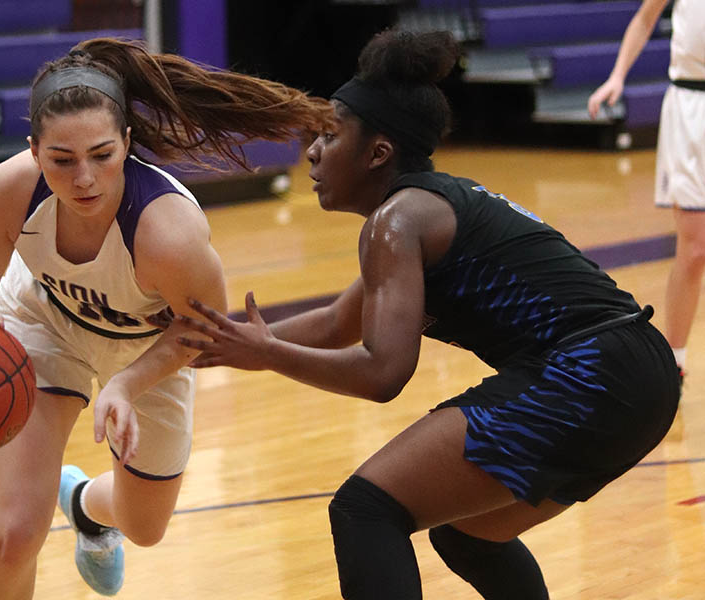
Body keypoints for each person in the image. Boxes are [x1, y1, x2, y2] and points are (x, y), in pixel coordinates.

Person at [163, 30, 680, 599]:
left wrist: (266, 353)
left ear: (378, 153)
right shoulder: (425, 205)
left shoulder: (397, 220)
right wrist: (223, 343)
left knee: (366, 509)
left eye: (330, 137)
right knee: (468, 534)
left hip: (589, 372)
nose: (310, 151)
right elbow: (340, 323)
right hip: (640, 376)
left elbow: (383, 374)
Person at [0, 37, 333, 599]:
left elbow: (207, 329)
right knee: (17, 531)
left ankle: (86, 507)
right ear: (35, 151)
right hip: (43, 320)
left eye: (101, 155)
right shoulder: (11, 188)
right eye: (62, 160)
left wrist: (129, 384)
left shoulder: (168, 234)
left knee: (145, 527)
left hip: (149, 351)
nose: (83, 177)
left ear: (128, 144)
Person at [588, 0, 705, 385]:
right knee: (695, 247)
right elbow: (645, 18)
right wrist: (617, 76)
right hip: (692, 110)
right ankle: (675, 360)